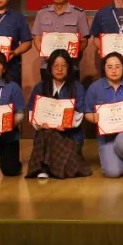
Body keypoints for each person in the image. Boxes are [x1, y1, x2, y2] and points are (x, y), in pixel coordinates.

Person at [26, 49, 90, 179]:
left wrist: (66, 124)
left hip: (70, 135)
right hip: (45, 132)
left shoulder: (77, 87)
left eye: (64, 65)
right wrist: (39, 124)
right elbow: (32, 112)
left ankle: (44, 167)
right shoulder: (40, 87)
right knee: (47, 132)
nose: (59, 69)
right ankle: (45, 168)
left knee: (52, 134)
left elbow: (79, 113)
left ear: (69, 68)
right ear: (50, 67)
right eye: (55, 65)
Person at [83, 52, 123, 178]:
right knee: (113, 172)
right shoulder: (94, 88)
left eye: (117, 66)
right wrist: (93, 118)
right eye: (110, 67)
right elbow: (87, 112)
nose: (114, 70)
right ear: (104, 68)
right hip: (106, 136)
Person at [32, 0, 90, 68]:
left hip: (70, 66)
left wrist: (69, 55)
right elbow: (37, 39)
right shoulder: (42, 13)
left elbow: (84, 41)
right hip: (47, 65)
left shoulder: (79, 13)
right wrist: (45, 53)